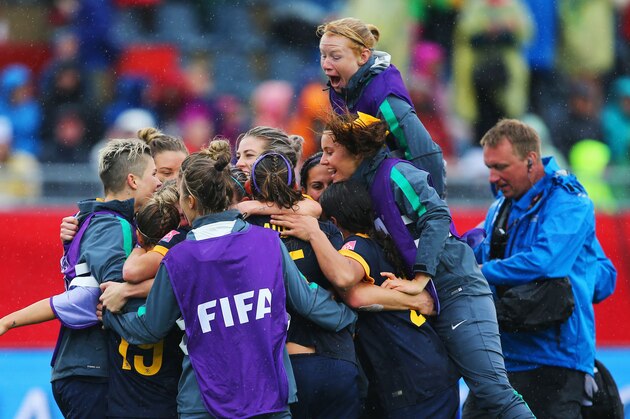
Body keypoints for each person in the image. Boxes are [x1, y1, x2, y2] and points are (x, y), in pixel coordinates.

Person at [273, 112, 533, 418]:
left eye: (331, 152)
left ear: (356, 151)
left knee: (493, 393)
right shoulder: (362, 192)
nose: (327, 162)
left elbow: (437, 215)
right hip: (418, 336)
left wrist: (421, 281)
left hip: (454, 289)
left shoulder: (391, 178)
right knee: (481, 403)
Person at [99, 143, 358, 418]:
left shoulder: (178, 258)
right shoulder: (268, 242)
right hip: (269, 399)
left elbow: (148, 329)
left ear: (190, 202)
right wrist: (351, 316)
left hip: (203, 404)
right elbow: (309, 303)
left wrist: (110, 313)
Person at [0, 138, 161, 418]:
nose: (159, 183)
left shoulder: (95, 220)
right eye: (155, 174)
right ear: (133, 181)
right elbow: (111, 290)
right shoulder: (111, 225)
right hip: (91, 370)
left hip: (83, 368)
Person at [274, 180, 460, 418]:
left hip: (411, 375)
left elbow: (348, 286)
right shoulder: (382, 243)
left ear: (333, 223)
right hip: (426, 368)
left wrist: (314, 234)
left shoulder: (355, 244)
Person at [471, 118, 617, 418]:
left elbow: (545, 261)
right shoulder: (502, 205)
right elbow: (600, 275)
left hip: (553, 361)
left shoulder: (568, 201)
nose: (493, 177)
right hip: (503, 355)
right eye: (489, 167)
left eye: (501, 167)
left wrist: (479, 272)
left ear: (530, 160)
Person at [246, 151, 361, 418]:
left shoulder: (241, 235)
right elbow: (345, 285)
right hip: (335, 361)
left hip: (279, 368)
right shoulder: (321, 229)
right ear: (297, 188)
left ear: (251, 188)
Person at [317, 17, 445, 196]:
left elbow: (424, 152)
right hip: (366, 188)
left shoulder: (384, 96)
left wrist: (434, 208)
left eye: (335, 57)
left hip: (394, 192)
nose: (325, 64)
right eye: (323, 55)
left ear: (363, 56)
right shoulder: (340, 88)